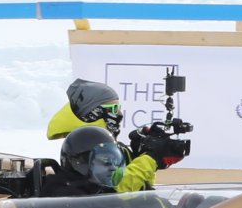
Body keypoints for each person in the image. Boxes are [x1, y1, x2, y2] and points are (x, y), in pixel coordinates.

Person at [44, 79, 173, 194]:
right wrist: (150, 159)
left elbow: (139, 191)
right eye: (113, 108)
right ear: (93, 113)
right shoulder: (84, 145)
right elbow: (112, 189)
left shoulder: (108, 145)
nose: (120, 114)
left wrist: (138, 156)